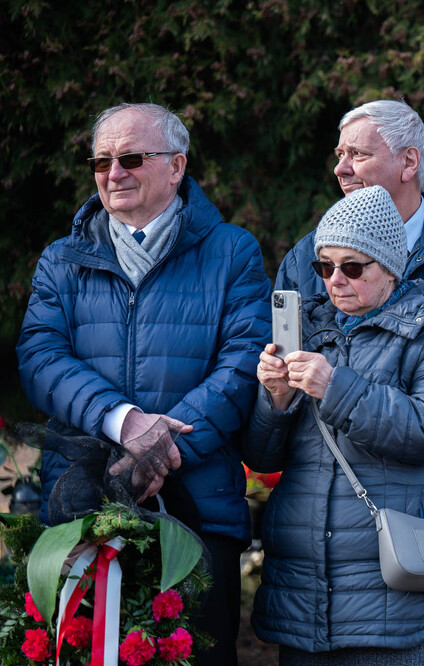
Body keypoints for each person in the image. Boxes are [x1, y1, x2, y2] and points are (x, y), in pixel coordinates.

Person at [16, 102, 271, 664]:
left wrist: (160, 452)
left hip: (198, 515)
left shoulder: (233, 251)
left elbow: (244, 362)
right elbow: (38, 357)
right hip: (81, 516)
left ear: (177, 166)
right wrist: (124, 422)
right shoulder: (62, 260)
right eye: (101, 160)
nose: (114, 172)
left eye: (131, 157)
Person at [274, 99, 424, 665]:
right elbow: (282, 389)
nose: (342, 168)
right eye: (339, 155)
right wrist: (278, 397)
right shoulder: (307, 253)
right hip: (320, 532)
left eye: (358, 154)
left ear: (409, 162)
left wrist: (404, 415)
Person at [243, 185, 424, 664]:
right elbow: (263, 457)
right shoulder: (309, 329)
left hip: (403, 599)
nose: (334, 279)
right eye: (323, 266)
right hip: (306, 602)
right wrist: (276, 398)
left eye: (352, 266)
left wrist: (336, 387)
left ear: (391, 267)